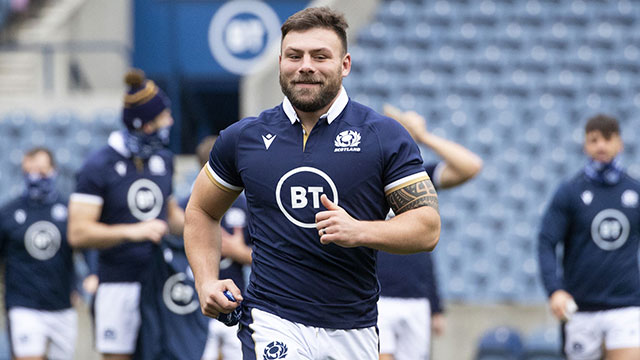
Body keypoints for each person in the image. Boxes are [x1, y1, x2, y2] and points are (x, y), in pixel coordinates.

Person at [184, 7, 440, 360]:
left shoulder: (383, 136)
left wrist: (359, 230)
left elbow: (427, 228)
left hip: (354, 328)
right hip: (272, 319)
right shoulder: (244, 138)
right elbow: (200, 209)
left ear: (345, 64)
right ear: (280, 62)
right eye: (294, 55)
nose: (306, 65)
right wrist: (206, 281)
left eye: (320, 56)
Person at [67, 69, 185, 360]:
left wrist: (208, 228)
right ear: (146, 125)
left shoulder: (163, 160)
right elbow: (77, 233)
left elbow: (171, 218)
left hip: (160, 281)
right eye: (164, 117)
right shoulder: (99, 165)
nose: (169, 122)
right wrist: (132, 231)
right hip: (117, 282)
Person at [377, 105, 483, 360]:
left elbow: (470, 166)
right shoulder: (366, 177)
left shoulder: (417, 178)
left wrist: (424, 137)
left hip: (416, 297)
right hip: (376, 295)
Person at [538, 114, 640, 360]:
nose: (601, 146)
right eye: (594, 140)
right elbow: (546, 241)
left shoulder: (634, 191)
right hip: (580, 308)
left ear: (620, 143)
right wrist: (555, 290)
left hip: (626, 305)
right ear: (585, 145)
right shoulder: (570, 191)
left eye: (607, 139)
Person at [0, 147, 76, 360]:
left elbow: (83, 251)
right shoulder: (8, 213)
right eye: (30, 172)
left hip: (61, 306)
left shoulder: (68, 210)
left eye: (42, 172)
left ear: (54, 171)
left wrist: (81, 283)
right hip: (24, 304)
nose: (36, 177)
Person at [183, 135, 252, 360]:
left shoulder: (244, 206)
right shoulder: (190, 206)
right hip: (197, 300)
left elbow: (264, 254)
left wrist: (236, 251)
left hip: (236, 299)